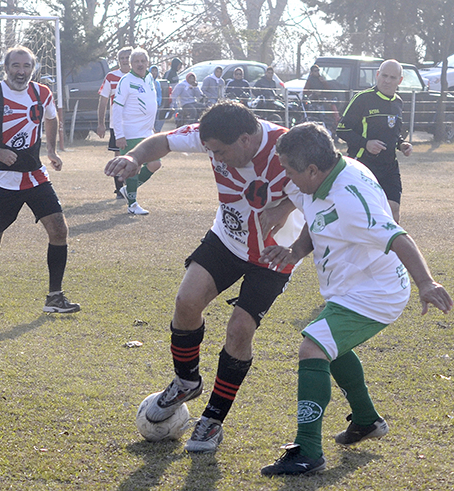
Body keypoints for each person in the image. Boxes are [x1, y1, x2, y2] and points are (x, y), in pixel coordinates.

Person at [104, 101, 304, 452]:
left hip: (275, 253)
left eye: (222, 152)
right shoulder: (211, 135)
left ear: (245, 139)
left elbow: (319, 189)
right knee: (186, 301)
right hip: (227, 239)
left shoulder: (288, 147)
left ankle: (212, 419)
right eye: (211, 151)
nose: (217, 159)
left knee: (240, 329)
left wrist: (283, 208)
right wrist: (135, 158)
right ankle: (186, 381)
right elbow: (163, 141)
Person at [258, 122, 452, 476]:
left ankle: (308, 451)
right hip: (350, 287)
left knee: (313, 348)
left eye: (289, 169)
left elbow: (398, 238)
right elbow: (316, 218)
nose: (286, 177)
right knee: (332, 348)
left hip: (376, 292)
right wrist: (296, 251)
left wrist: (426, 282)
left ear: (313, 169)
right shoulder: (325, 175)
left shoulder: (351, 198)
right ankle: (366, 420)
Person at [0, 45, 80, 315]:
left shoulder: (42, 93)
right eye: (16, 65)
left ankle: (55, 297)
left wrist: (51, 150)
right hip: (1, 180)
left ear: (33, 69)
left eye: (26, 66)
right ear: (6, 68)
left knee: (59, 230)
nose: (21, 71)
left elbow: (51, 117)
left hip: (35, 176)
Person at [336, 59, 412, 223]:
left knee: (393, 208)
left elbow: (392, 133)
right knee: (364, 210)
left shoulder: (398, 102)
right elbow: (342, 129)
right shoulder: (362, 99)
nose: (387, 80)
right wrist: (366, 143)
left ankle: (390, 249)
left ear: (399, 81)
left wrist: (401, 144)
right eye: (384, 75)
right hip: (364, 164)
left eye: (392, 77)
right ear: (377, 75)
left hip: (390, 165)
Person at [110, 48, 162, 215]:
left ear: (147, 62)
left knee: (155, 164)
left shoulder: (149, 78)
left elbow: (150, 103)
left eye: (143, 61)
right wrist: (119, 135)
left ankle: (129, 191)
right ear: (131, 64)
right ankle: (132, 205)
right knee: (134, 167)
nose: (140, 64)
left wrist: (152, 126)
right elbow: (116, 108)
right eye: (136, 61)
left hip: (147, 132)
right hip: (131, 132)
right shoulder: (126, 81)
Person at [96, 47, 133, 198]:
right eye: (122, 58)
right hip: (117, 125)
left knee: (137, 157)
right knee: (119, 157)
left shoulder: (139, 76)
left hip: (134, 125)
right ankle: (119, 189)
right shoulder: (111, 77)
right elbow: (103, 101)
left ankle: (131, 189)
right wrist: (101, 123)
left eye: (127, 57)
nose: (124, 60)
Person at [149, 65, 165, 133]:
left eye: (156, 71)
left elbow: (159, 94)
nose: (154, 73)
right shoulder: (147, 81)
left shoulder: (157, 83)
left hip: (156, 105)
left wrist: (158, 103)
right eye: (153, 71)